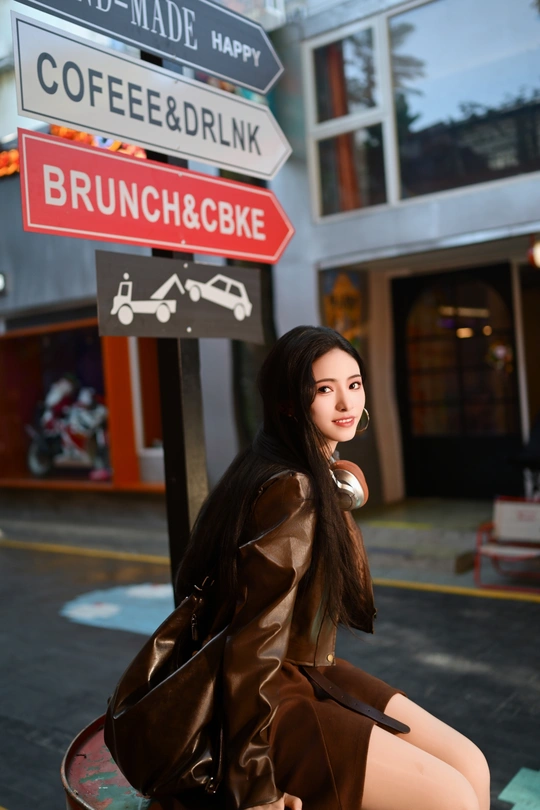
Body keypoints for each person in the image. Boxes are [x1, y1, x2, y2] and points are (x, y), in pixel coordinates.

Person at [175, 325, 491, 810]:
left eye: (354, 384)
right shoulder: (292, 492)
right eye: (324, 389)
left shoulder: (312, 475)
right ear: (289, 404)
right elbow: (251, 644)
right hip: (261, 697)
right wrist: (253, 784)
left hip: (306, 670)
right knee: (453, 798)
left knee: (472, 765)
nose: (346, 403)